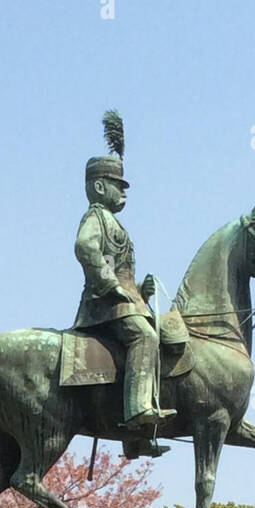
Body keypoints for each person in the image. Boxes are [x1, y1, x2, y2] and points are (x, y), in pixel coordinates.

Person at [72, 109, 176, 456]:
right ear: (100, 186)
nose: (124, 192)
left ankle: (134, 440)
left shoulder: (114, 223)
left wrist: (139, 291)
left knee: (159, 341)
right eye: (119, 185)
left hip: (125, 302)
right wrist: (110, 285)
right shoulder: (96, 218)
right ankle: (137, 412)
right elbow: (85, 248)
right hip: (104, 306)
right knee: (144, 337)